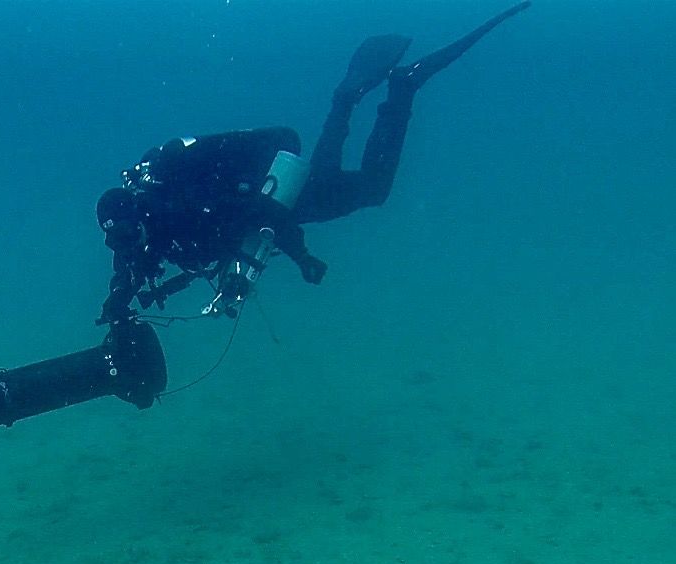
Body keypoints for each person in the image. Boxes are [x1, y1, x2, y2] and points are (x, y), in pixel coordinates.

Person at [95, 2, 532, 326]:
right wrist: (117, 298)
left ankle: (402, 90)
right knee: (322, 177)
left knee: (373, 190)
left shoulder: (185, 207)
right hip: (269, 189)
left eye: (127, 236)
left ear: (139, 215)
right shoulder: (143, 225)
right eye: (119, 240)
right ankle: (344, 102)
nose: (127, 246)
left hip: (272, 193)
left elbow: (266, 215)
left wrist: (302, 256)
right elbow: (130, 263)